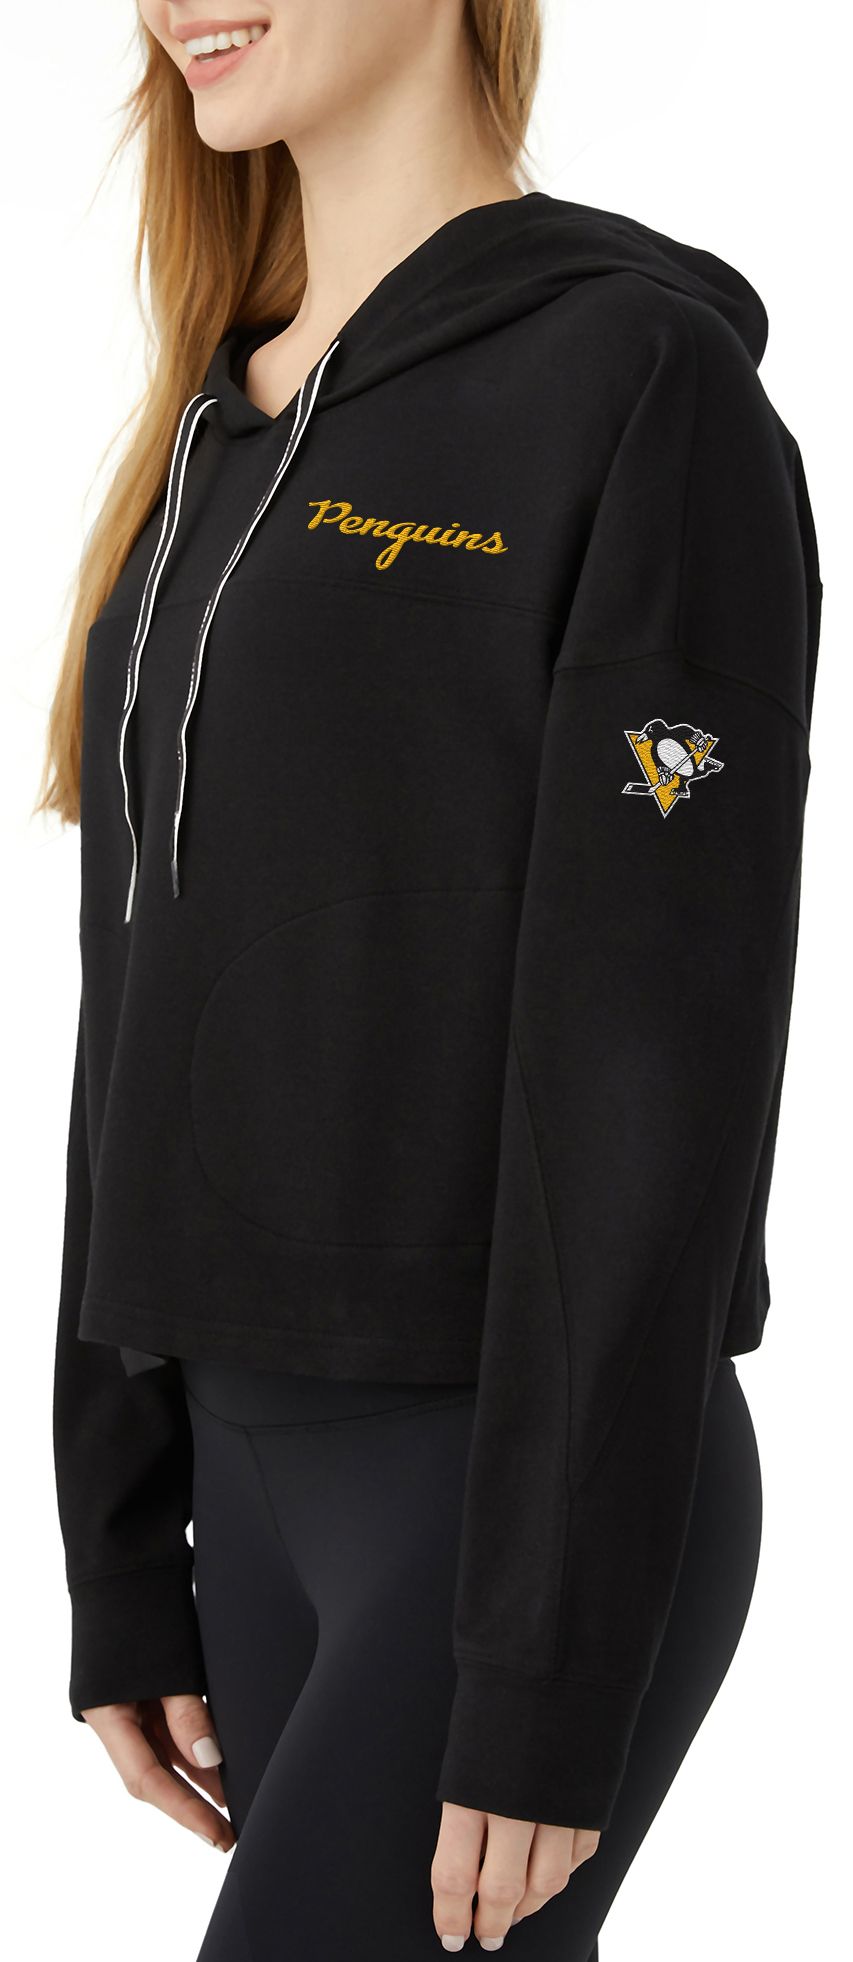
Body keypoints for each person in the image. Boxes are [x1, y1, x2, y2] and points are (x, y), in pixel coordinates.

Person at [38, 3, 822, 1956]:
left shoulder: (633, 380)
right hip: (244, 1478)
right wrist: (121, 1534)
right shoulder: (217, 426)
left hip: (504, 1490)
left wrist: (551, 1654)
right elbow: (130, 992)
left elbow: (658, 1040)